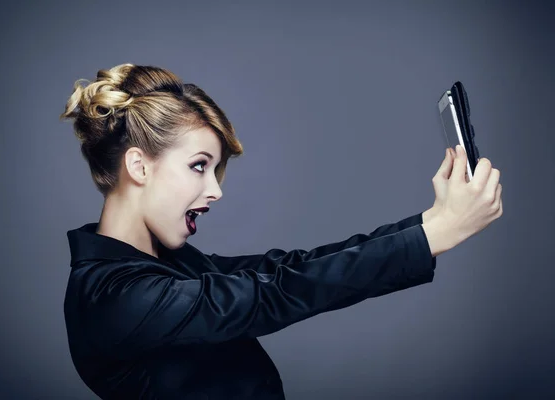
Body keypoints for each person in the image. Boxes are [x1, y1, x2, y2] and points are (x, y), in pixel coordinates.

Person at [61, 64, 503, 400]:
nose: (214, 191)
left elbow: (289, 268)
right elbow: (275, 294)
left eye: (215, 171)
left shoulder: (165, 265)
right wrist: (433, 236)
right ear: (138, 166)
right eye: (199, 166)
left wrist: (430, 224)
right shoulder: (115, 297)